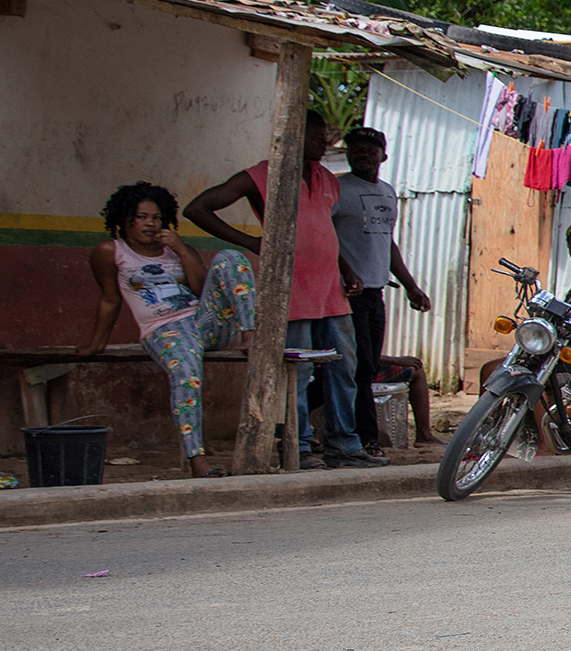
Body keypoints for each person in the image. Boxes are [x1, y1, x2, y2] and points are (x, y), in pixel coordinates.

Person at [183, 111, 383, 467]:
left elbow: (323, 229)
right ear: (293, 135)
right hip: (291, 292)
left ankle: (344, 445)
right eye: (317, 136)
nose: (325, 142)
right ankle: (297, 446)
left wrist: (346, 269)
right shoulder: (262, 175)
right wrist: (251, 241)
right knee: (297, 375)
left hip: (331, 291)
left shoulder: (327, 179)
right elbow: (198, 209)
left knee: (344, 369)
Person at [75, 182, 261, 477]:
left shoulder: (177, 250)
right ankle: (197, 459)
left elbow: (201, 290)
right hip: (163, 329)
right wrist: (96, 344)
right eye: (141, 217)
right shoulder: (111, 251)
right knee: (186, 374)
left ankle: (250, 335)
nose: (150, 223)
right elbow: (110, 299)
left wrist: (181, 250)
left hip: (203, 323)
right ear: (125, 219)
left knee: (231, 257)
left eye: (156, 218)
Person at [334, 125, 433, 454]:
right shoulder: (337, 189)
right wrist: (346, 271)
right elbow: (325, 237)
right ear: (347, 154)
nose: (363, 154)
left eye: (370, 150)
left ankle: (362, 436)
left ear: (383, 156)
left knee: (366, 364)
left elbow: (387, 244)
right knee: (360, 365)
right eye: (356, 149)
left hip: (376, 292)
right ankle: (366, 438)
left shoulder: (388, 192)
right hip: (347, 293)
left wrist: (411, 286)